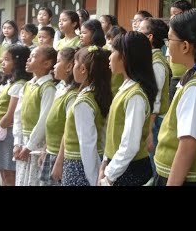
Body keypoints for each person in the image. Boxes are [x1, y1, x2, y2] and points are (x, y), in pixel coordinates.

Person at [154, 9, 196, 186]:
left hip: (184, 179)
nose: (167, 45)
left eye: (169, 39)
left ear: (185, 46)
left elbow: (187, 148)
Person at [98, 32, 157, 186]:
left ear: (124, 56)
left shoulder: (135, 95)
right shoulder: (126, 88)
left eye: (112, 52)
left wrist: (109, 176)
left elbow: (130, 144)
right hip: (118, 166)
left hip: (128, 170)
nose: (109, 57)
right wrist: (105, 162)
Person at [52, 46, 112, 186]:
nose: (73, 68)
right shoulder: (96, 94)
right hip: (87, 163)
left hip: (79, 166)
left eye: (75, 64)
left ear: (83, 69)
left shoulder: (84, 102)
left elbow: (87, 144)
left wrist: (94, 179)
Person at [0, 45, 31, 186]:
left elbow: (10, 114)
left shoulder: (19, 85)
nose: (2, 63)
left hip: (8, 133)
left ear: (18, 63)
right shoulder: (9, 82)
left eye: (6, 59)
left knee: (10, 173)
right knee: (3, 172)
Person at [13, 46, 57, 186]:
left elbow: (44, 120)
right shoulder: (27, 85)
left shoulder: (48, 88)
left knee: (34, 180)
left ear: (46, 63)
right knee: (22, 179)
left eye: (33, 57)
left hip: (38, 143)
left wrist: (30, 146)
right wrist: (17, 142)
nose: (28, 60)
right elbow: (18, 115)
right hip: (24, 141)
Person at [40, 47, 79, 186]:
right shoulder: (62, 88)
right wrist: (45, 148)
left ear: (69, 67)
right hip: (51, 150)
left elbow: (67, 131)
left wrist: (59, 161)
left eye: (57, 62)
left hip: (59, 155)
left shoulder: (73, 95)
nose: (54, 66)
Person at [138, 18, 170, 176]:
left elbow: (155, 98)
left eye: (140, 31)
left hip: (156, 120)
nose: (137, 33)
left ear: (150, 37)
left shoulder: (157, 63)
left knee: (155, 163)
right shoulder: (149, 59)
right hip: (151, 118)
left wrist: (149, 129)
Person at [167, 0, 193, 102]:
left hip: (187, 76)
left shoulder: (189, 34)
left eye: (176, 14)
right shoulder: (173, 32)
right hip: (174, 78)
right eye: (171, 14)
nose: (172, 17)